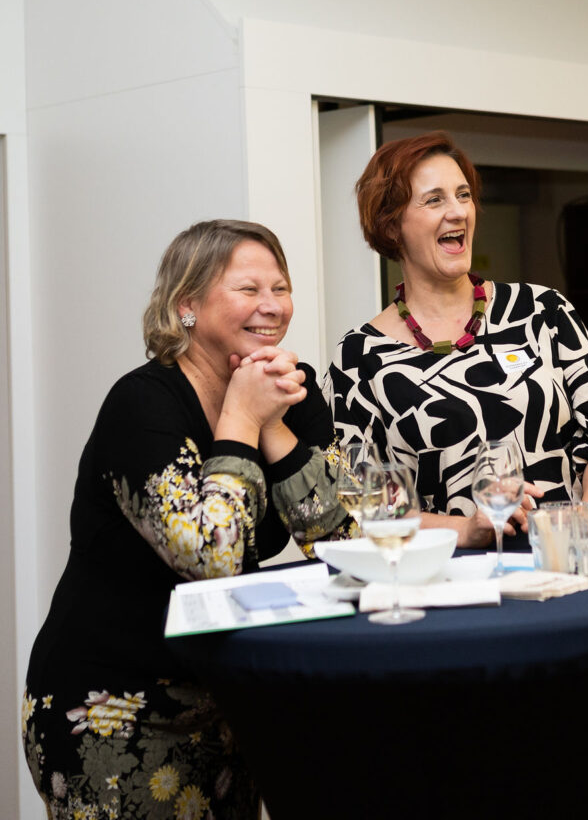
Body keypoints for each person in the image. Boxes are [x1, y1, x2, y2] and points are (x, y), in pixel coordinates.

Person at [23, 219, 351, 820]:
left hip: (228, 705)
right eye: (249, 289)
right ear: (187, 305)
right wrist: (241, 419)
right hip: (112, 708)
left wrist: (272, 424)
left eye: (280, 288)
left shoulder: (289, 394)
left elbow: (347, 539)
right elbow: (211, 558)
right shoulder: (142, 403)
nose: (272, 305)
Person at [324, 132, 588, 548]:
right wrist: (467, 530)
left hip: (566, 560)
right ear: (390, 225)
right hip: (452, 577)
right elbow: (357, 508)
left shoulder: (543, 311)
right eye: (434, 200)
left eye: (463, 195)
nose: (458, 211)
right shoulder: (359, 358)